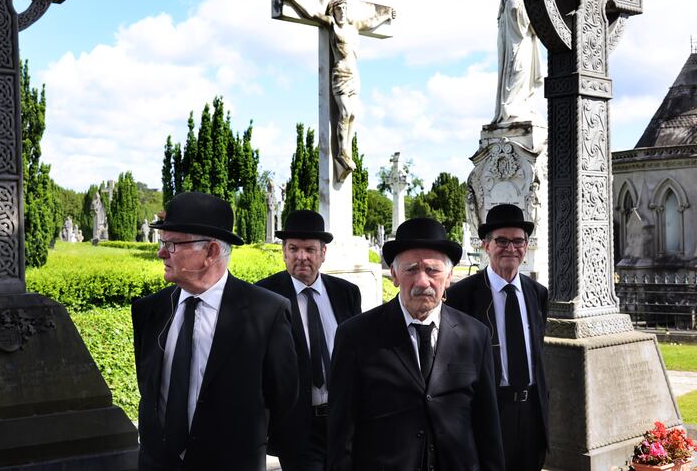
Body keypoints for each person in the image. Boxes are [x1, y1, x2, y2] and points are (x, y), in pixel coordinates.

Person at [131, 192, 299, 470]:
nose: (161, 253)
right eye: (163, 243)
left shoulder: (266, 312)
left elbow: (282, 397)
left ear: (210, 252)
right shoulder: (149, 311)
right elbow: (148, 387)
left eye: (172, 244)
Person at [327, 217, 504, 471]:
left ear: (449, 276)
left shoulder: (475, 335)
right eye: (411, 269)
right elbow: (341, 433)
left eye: (432, 270)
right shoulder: (355, 335)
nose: (422, 282)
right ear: (395, 275)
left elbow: (487, 425)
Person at [256, 210, 362, 471]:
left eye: (309, 249)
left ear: (323, 253)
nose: (301, 257)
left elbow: (358, 353)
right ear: (283, 252)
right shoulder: (263, 295)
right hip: (296, 427)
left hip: (344, 420)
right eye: (293, 248)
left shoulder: (346, 293)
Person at [446, 204, 548, 471]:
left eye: (518, 241)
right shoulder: (463, 295)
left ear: (526, 247)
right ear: (486, 245)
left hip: (531, 411)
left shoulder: (537, 293)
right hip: (488, 409)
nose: (510, 248)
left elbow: (537, 352)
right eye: (501, 241)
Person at [282, 0, 395, 181]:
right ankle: (342, 153)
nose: (342, 12)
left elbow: (372, 20)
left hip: (354, 76)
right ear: (333, 11)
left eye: (344, 9)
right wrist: (293, 0)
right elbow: (311, 13)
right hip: (340, 74)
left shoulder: (355, 26)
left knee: (354, 115)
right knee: (345, 113)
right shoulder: (332, 24)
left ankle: (347, 152)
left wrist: (386, 15)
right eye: (338, 9)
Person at [493, 0, 543, 125]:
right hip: (516, 42)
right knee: (518, 71)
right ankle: (512, 109)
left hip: (524, 40)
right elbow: (515, 12)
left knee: (525, 75)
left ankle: (522, 107)